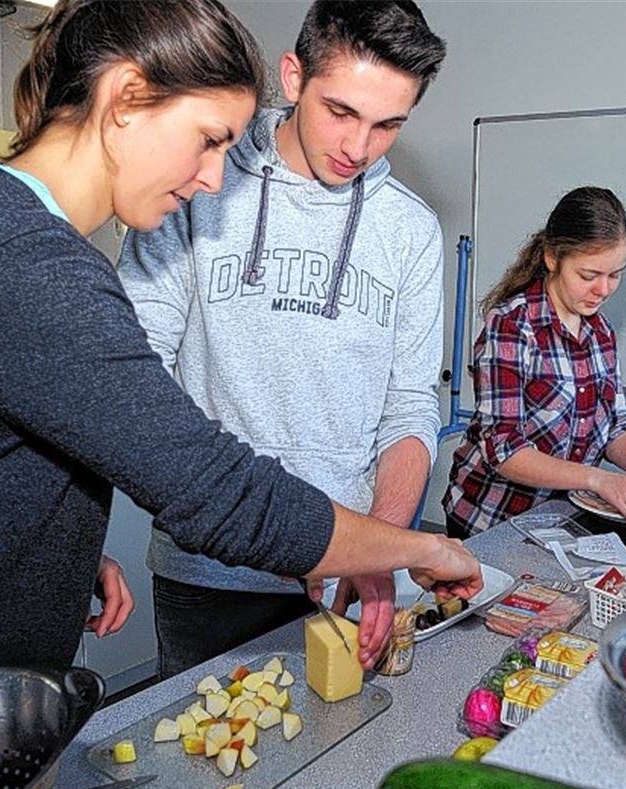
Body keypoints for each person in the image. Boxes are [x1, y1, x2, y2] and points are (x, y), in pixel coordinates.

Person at [0, 0, 480, 694]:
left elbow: (1, 453)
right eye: (210, 139)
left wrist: (58, 542)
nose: (216, 179)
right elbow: (213, 488)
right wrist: (423, 547)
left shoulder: (13, 237)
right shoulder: (22, 263)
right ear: (127, 99)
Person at [117, 0, 448, 678]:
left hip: (347, 579)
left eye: (388, 125)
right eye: (343, 112)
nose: (359, 147)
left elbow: (411, 406)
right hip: (208, 571)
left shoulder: (412, 231)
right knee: (204, 771)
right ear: (293, 77)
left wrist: (379, 546)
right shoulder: (196, 182)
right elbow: (130, 370)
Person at [442, 187, 626, 538]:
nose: (603, 290)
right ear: (552, 258)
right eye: (588, 276)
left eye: (615, 274)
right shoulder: (512, 326)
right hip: (491, 521)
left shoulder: (600, 332)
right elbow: (505, 449)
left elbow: (616, 426)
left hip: (559, 522)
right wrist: (598, 479)